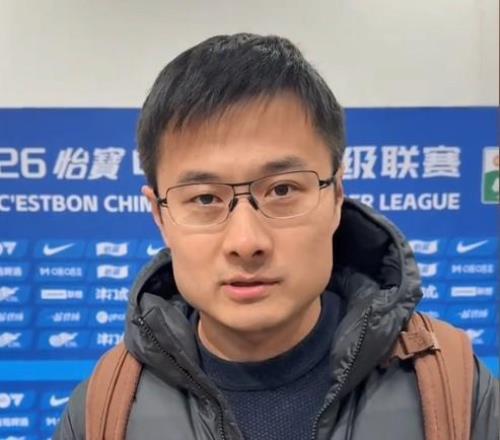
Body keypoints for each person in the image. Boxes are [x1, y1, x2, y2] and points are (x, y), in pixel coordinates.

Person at [55, 33, 498, 440]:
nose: (246, 241)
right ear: (159, 215)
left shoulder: (451, 388)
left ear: (336, 196)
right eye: (205, 198)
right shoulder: (105, 411)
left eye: (282, 190)